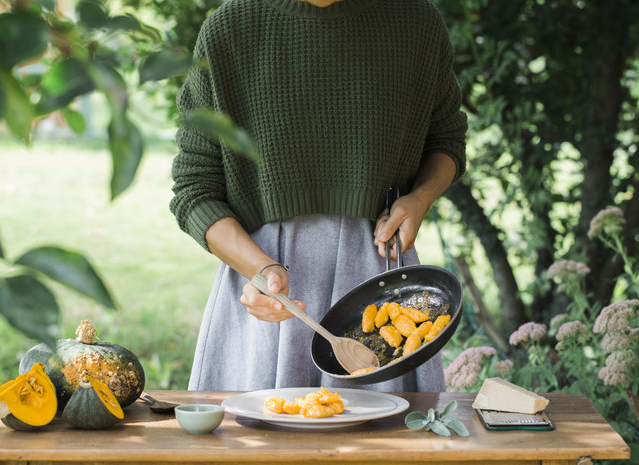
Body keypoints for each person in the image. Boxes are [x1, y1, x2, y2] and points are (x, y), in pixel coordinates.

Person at [170, 0, 467, 392]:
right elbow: (195, 189)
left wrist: (420, 198)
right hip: (264, 295)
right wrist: (259, 269)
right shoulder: (230, 28)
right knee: (257, 449)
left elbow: (445, 139)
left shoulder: (416, 23)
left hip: (381, 289)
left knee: (384, 450)